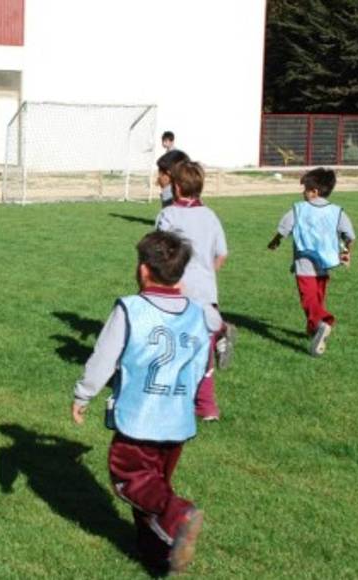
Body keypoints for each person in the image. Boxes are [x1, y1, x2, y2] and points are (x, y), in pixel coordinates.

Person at [72, 231, 208, 574]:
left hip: (139, 419)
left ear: (145, 270)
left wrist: (83, 394)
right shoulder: (196, 312)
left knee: (128, 479)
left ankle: (180, 514)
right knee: (152, 488)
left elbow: (104, 357)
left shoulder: (131, 308)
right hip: (177, 421)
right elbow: (200, 365)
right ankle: (156, 556)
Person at [156, 160, 233, 420]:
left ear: (176, 188)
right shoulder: (210, 215)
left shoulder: (168, 216)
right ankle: (206, 406)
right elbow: (222, 254)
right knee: (203, 350)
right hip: (206, 293)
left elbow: (158, 254)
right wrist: (206, 273)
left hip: (176, 293)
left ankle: (171, 400)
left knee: (174, 347)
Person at [267, 167, 356, 356]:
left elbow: (284, 229)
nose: (302, 193)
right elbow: (349, 235)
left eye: (305, 189)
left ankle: (324, 322)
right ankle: (313, 331)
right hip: (325, 266)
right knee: (316, 300)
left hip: (304, 265)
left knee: (308, 301)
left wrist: (275, 241)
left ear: (314, 192)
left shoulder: (299, 209)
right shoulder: (336, 211)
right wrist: (347, 252)